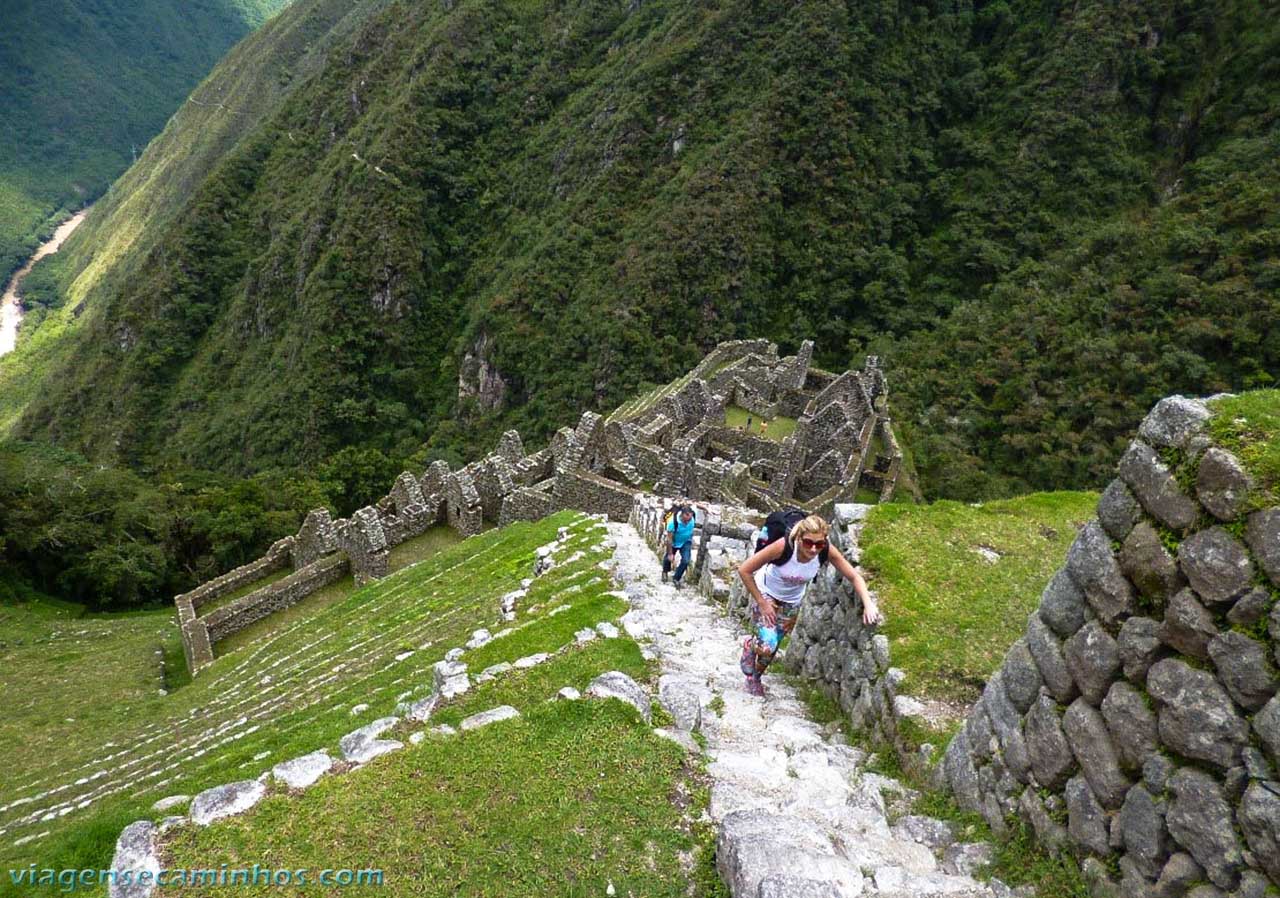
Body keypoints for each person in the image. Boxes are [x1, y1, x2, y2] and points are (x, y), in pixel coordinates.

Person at [737, 514, 880, 696]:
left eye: (819, 544)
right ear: (799, 538)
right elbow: (744, 570)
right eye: (808, 543)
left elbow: (854, 576)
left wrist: (868, 604)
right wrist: (762, 602)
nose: (813, 549)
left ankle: (755, 678)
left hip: (792, 603)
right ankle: (750, 645)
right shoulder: (783, 546)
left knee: (775, 643)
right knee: (767, 645)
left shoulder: (826, 551)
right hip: (767, 595)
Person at [661, 505, 698, 589]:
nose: (688, 522)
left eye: (690, 519)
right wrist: (670, 553)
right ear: (682, 514)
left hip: (686, 541)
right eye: (686, 519)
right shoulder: (673, 522)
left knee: (686, 560)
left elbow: (695, 504)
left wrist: (706, 509)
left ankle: (676, 578)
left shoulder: (693, 516)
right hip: (674, 542)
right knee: (668, 558)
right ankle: (665, 571)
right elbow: (669, 539)